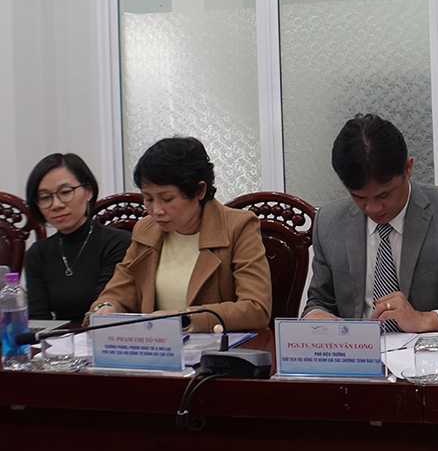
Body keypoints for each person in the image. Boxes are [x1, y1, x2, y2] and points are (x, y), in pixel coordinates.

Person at [302, 114, 438, 333]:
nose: (373, 208)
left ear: (408, 168)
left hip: (433, 350)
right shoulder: (329, 222)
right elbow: (319, 302)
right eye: (359, 197)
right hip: (359, 351)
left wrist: (425, 319)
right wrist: (315, 315)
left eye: (384, 195)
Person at [90, 137, 271, 332]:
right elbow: (119, 290)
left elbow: (256, 309)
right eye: (148, 199)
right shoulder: (146, 229)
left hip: (221, 347)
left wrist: (184, 319)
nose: (156, 210)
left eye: (167, 199)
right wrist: (106, 307)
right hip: (157, 344)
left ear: (199, 190)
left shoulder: (238, 227)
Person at [23, 153, 131, 321]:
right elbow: (38, 319)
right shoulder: (37, 253)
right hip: (58, 337)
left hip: (105, 332)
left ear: (88, 191)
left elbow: (106, 306)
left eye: (65, 192)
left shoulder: (118, 242)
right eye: (45, 197)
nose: (56, 205)